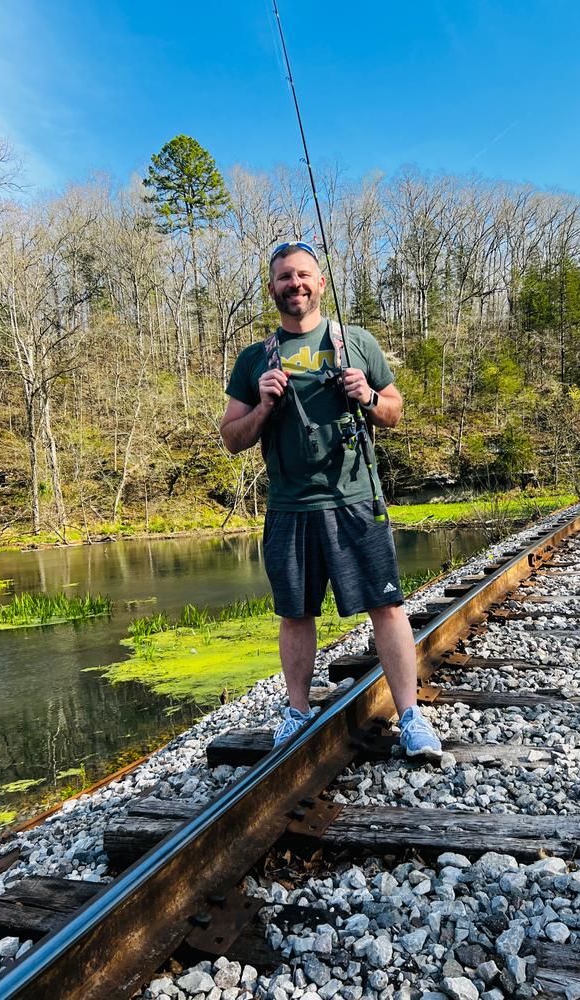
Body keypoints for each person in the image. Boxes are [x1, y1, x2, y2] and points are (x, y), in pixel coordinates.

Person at [220, 240, 442, 759]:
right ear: (271, 288)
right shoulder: (255, 359)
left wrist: (366, 395)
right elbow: (232, 438)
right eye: (283, 277)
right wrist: (265, 405)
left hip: (356, 500)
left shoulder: (356, 341)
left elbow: (393, 411)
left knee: (386, 606)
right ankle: (296, 714)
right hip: (290, 507)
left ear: (320, 283)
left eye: (303, 275)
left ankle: (411, 717)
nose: (294, 284)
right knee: (295, 613)